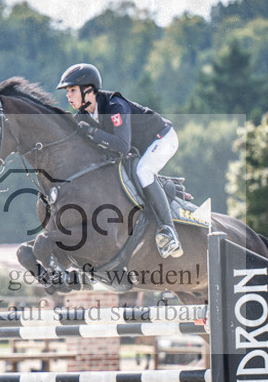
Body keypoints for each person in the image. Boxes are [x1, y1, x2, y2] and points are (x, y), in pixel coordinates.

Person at [56, 63, 183, 258]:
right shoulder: (84, 115)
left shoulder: (115, 106)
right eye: (67, 91)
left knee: (144, 171)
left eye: (72, 90)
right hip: (141, 149)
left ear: (88, 90)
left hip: (162, 138)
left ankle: (169, 230)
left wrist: (94, 132)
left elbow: (122, 146)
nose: (68, 96)